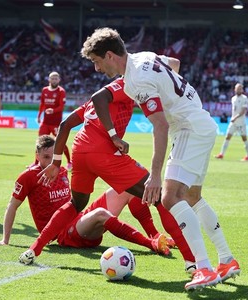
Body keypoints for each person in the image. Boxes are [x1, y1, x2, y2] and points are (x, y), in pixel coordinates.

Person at [78, 27, 240, 291]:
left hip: (187, 128)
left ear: (109, 55)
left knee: (169, 196)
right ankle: (226, 260)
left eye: (96, 62)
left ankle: (204, 269)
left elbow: (160, 125)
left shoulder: (135, 80)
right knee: (192, 197)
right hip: (200, 121)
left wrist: (154, 175)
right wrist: (172, 94)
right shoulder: (144, 57)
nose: (97, 69)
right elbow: (174, 64)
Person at [20, 78, 197, 273]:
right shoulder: (128, 84)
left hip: (80, 151)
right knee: (158, 196)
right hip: (102, 152)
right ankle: (192, 261)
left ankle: (34, 249)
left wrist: (56, 163)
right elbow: (100, 97)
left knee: (76, 204)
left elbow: (65, 124)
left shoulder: (93, 105)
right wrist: (113, 135)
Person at [0, 135, 168, 255]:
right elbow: (12, 205)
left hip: (79, 218)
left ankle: (155, 235)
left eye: (53, 156)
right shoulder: (28, 176)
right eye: (45, 157)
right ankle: (149, 244)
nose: (50, 161)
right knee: (101, 214)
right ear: (36, 154)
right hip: (62, 234)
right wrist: (5, 239)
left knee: (128, 187)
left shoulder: (61, 170)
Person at [37, 72, 71, 170]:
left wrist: (53, 110)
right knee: (40, 143)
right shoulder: (44, 90)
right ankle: (36, 163)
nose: (54, 80)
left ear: (59, 80)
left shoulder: (61, 91)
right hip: (45, 121)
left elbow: (61, 107)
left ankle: (69, 162)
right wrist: (39, 115)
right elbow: (42, 104)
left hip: (56, 122)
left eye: (56, 78)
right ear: (49, 79)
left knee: (60, 143)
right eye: (52, 78)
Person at [215, 83, 248, 161]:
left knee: (244, 138)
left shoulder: (245, 98)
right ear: (235, 89)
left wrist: (235, 117)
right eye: (237, 88)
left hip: (241, 122)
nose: (238, 90)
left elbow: (243, 111)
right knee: (227, 137)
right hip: (233, 122)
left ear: (242, 90)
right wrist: (232, 117)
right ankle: (221, 154)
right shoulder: (233, 98)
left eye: (240, 88)